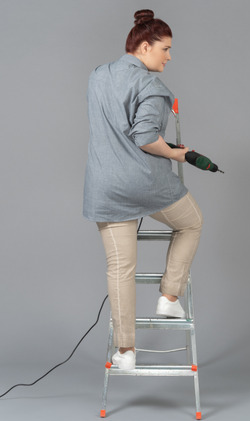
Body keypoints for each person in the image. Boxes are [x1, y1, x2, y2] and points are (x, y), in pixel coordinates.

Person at [83, 9, 203, 370]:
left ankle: (125, 353)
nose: (169, 56)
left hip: (105, 186)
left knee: (119, 268)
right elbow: (147, 138)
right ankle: (168, 296)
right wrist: (176, 155)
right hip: (144, 184)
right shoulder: (152, 86)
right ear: (145, 46)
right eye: (165, 49)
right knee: (192, 223)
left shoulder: (98, 76)